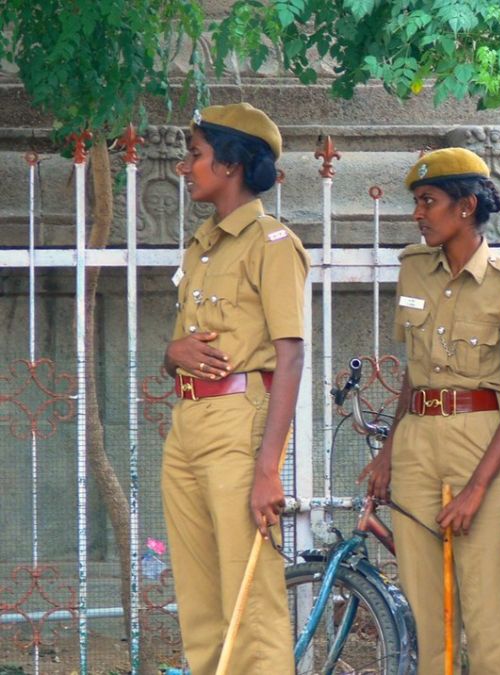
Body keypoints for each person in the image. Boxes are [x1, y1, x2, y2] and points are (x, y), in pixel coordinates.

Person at [358, 147, 500, 674]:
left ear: (466, 207)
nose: (417, 214)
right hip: (417, 444)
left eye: (428, 201)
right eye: (417, 202)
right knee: (431, 629)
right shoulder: (414, 269)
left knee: (489, 630)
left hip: (484, 444)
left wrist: (478, 487)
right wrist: (389, 451)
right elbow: (414, 371)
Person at [162, 102, 308, 674]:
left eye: (195, 155)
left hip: (238, 427)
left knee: (251, 601)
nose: (184, 167)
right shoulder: (201, 246)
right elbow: (179, 351)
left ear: (230, 165)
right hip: (188, 427)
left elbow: (291, 356)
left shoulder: (272, 244)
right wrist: (170, 354)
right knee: (199, 603)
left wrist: (268, 466)